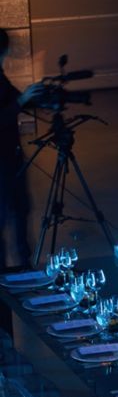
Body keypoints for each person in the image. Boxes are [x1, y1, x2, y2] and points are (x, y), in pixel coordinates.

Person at [0, 29, 44, 270]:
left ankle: (23, 267)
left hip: (11, 158)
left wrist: (36, 98)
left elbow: (15, 99)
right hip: (3, 162)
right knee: (8, 214)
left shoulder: (1, 77)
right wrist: (22, 100)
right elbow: (10, 106)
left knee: (20, 209)